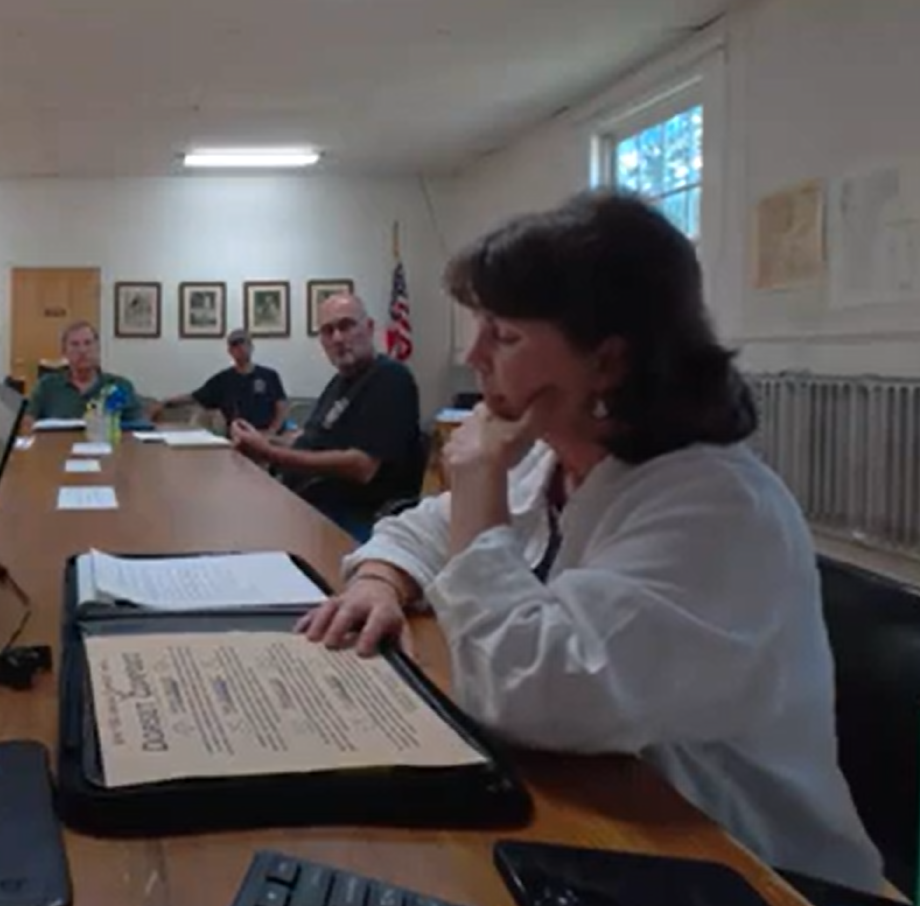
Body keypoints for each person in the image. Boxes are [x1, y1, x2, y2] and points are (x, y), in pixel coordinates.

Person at [298, 193, 883, 893]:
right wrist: (380, 580)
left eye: (504, 337)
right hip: (613, 822)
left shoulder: (718, 507)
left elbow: (526, 693)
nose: (472, 356)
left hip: (748, 866)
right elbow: (423, 527)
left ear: (606, 363)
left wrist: (479, 475)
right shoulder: (559, 459)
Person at [231, 294, 422, 540]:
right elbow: (311, 438)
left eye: (346, 326)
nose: (338, 338)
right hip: (310, 502)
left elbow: (361, 466)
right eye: (328, 331)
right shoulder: (341, 381)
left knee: (246, 533)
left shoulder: (390, 379)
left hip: (358, 517)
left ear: (370, 328)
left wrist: (268, 453)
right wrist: (261, 439)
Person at [154, 327, 288, 433]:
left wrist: (272, 431)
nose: (240, 348)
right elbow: (194, 397)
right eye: (235, 344)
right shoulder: (223, 380)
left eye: (244, 343)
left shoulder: (269, 375)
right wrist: (166, 402)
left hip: (268, 435)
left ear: (252, 346)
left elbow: (281, 407)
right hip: (239, 438)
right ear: (230, 351)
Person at [27, 320, 146, 426]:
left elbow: (139, 427)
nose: (82, 350)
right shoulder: (46, 386)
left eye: (88, 343)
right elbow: (26, 423)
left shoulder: (120, 385)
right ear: (64, 352)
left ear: (98, 348)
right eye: (75, 344)